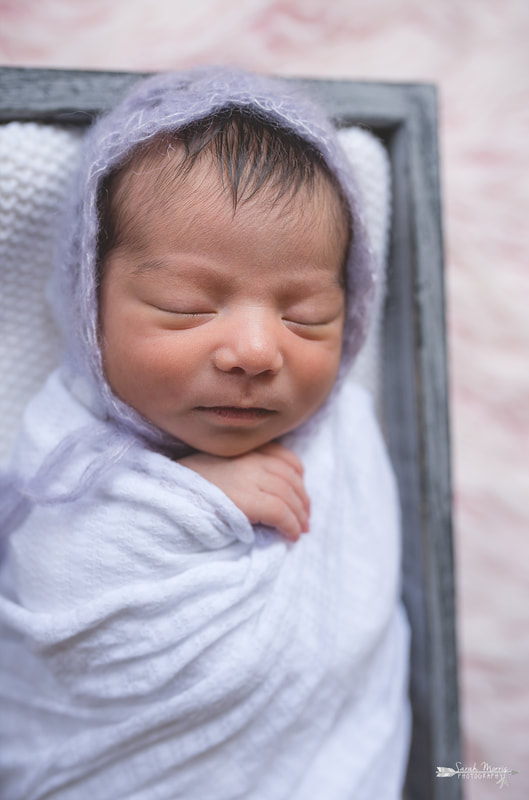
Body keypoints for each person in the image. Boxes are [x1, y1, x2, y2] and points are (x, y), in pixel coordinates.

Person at [0, 67, 411, 799]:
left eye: (307, 315)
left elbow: (357, 615)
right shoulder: (64, 450)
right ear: (89, 303)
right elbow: (63, 593)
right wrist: (194, 499)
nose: (256, 352)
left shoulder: (342, 435)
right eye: (186, 306)